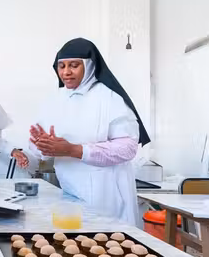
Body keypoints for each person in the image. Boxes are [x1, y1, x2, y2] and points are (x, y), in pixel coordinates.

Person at [30, 38, 151, 225]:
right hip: (69, 190)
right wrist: (43, 146)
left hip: (106, 197)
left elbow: (128, 148)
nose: (66, 72)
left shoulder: (110, 98)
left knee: (108, 248)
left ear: (90, 66)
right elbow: (37, 145)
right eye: (61, 66)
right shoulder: (56, 99)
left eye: (74, 65)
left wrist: (74, 150)